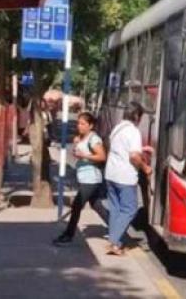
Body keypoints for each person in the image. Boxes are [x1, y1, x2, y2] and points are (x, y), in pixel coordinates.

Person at [53, 112, 108, 246]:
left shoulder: (94, 139)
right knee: (96, 206)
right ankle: (118, 228)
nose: (79, 126)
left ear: (91, 125)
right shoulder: (81, 138)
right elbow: (81, 154)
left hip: (91, 178)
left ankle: (68, 235)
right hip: (84, 177)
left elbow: (102, 156)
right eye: (78, 123)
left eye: (83, 124)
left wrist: (84, 156)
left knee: (76, 205)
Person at [104, 102, 152, 256]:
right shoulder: (133, 131)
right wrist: (146, 168)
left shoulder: (117, 127)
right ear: (137, 116)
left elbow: (121, 148)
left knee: (115, 209)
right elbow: (133, 156)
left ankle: (116, 242)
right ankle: (114, 242)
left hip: (111, 174)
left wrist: (140, 149)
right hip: (125, 177)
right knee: (129, 209)